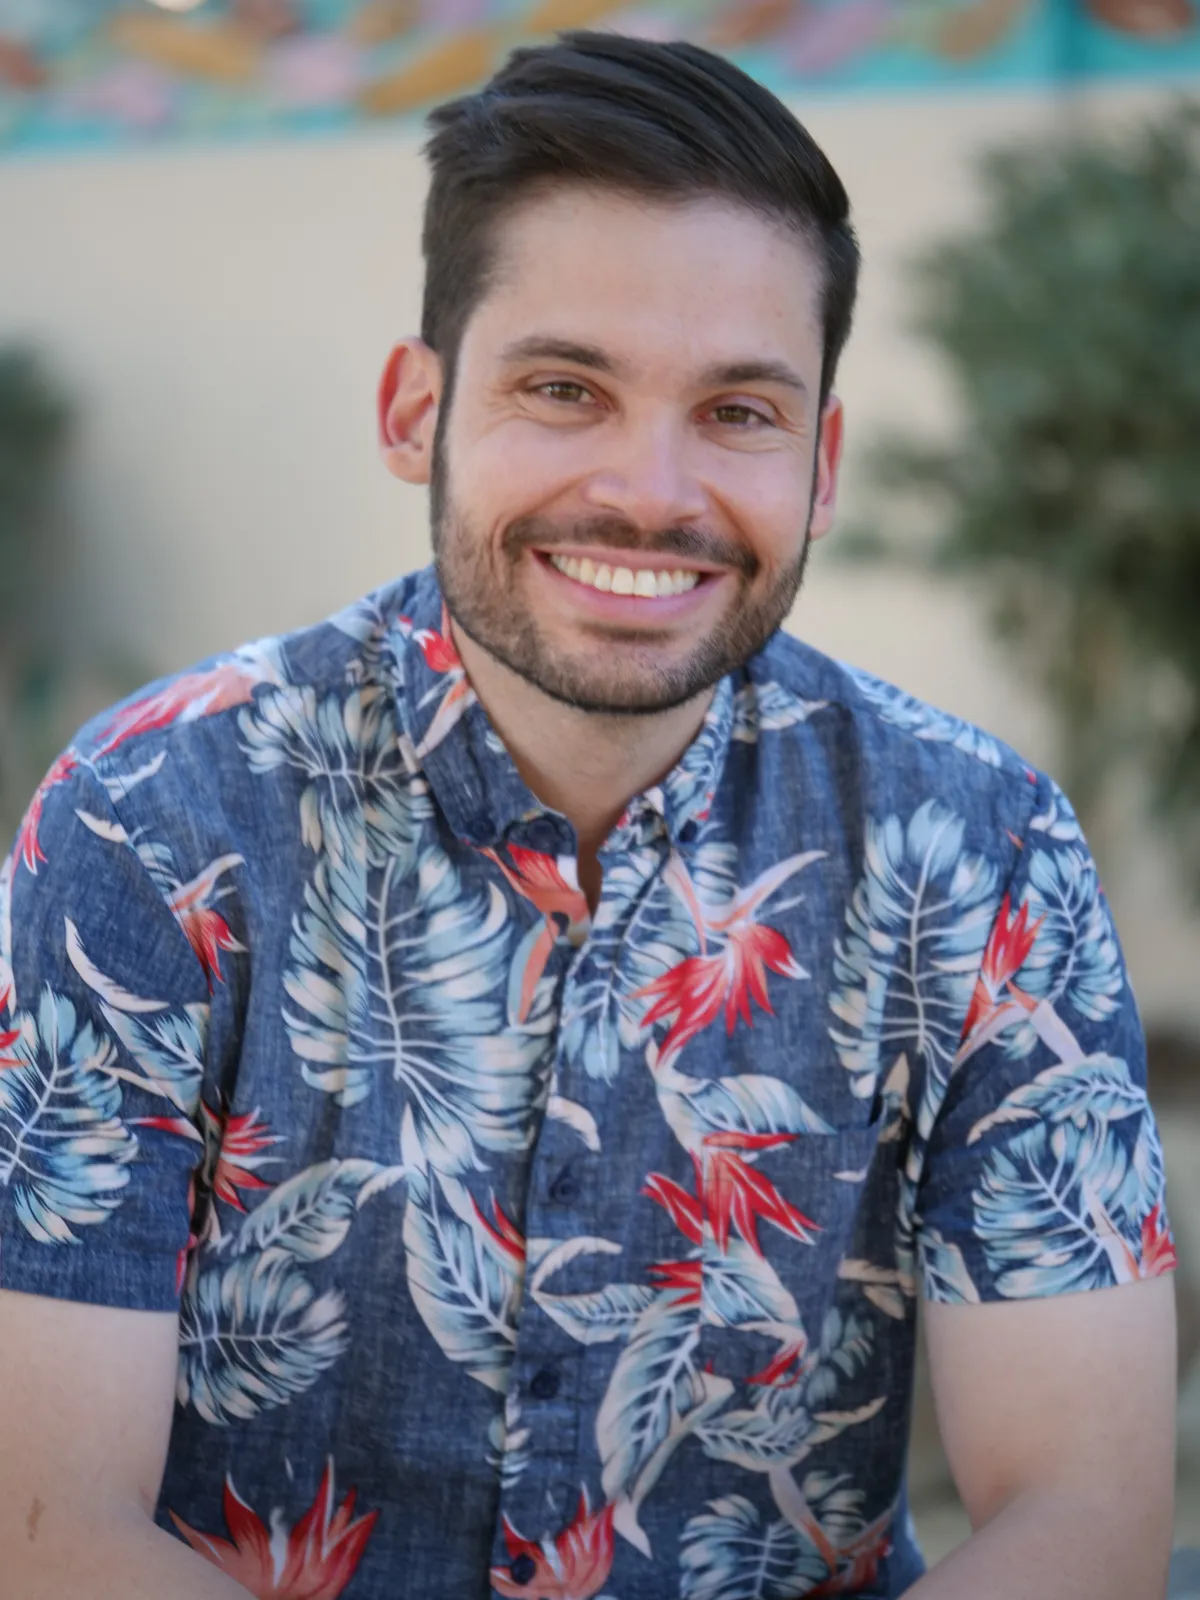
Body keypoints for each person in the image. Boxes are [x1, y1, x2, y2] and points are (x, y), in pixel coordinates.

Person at [0, 30, 1176, 1600]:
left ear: (821, 465)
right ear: (415, 411)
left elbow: (1080, 1519)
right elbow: (46, 1526)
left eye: (739, 412)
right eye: (566, 388)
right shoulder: (152, 819)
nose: (654, 489)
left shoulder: (984, 854)